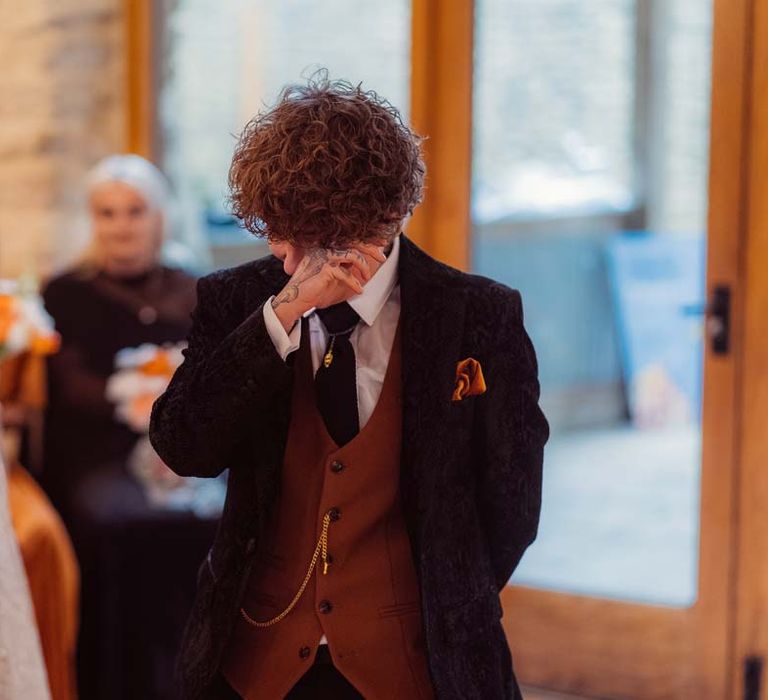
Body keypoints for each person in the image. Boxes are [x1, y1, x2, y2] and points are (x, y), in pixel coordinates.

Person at [149, 75, 549, 700]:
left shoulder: (479, 316)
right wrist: (279, 318)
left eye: (300, 232)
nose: (280, 252)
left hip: (418, 668)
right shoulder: (237, 300)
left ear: (377, 219)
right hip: (255, 658)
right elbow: (183, 447)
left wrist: (443, 602)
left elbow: (513, 504)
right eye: (273, 227)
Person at [40, 155, 216, 700]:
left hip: (189, 451)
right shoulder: (64, 293)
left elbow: (217, 379)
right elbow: (71, 389)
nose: (122, 226)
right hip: (101, 455)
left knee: (220, 519)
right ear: (91, 222)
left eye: (135, 211)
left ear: (160, 216)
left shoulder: (196, 288)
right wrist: (137, 398)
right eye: (107, 213)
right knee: (118, 523)